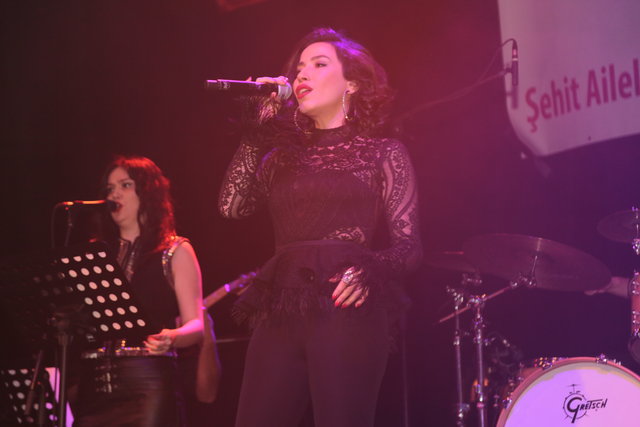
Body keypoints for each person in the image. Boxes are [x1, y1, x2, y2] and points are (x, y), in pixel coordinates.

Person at [218, 28, 422, 427]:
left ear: (352, 84)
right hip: (280, 307)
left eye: (319, 64)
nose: (302, 75)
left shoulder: (382, 153)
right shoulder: (280, 158)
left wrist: (372, 269)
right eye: (298, 69)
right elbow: (231, 207)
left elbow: (409, 246)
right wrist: (256, 132)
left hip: (344, 304)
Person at [72, 155, 218, 426]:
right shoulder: (96, 253)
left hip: (147, 381)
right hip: (94, 382)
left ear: (148, 193)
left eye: (125, 185)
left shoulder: (175, 250)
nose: (114, 194)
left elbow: (196, 326)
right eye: (109, 188)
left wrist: (171, 337)